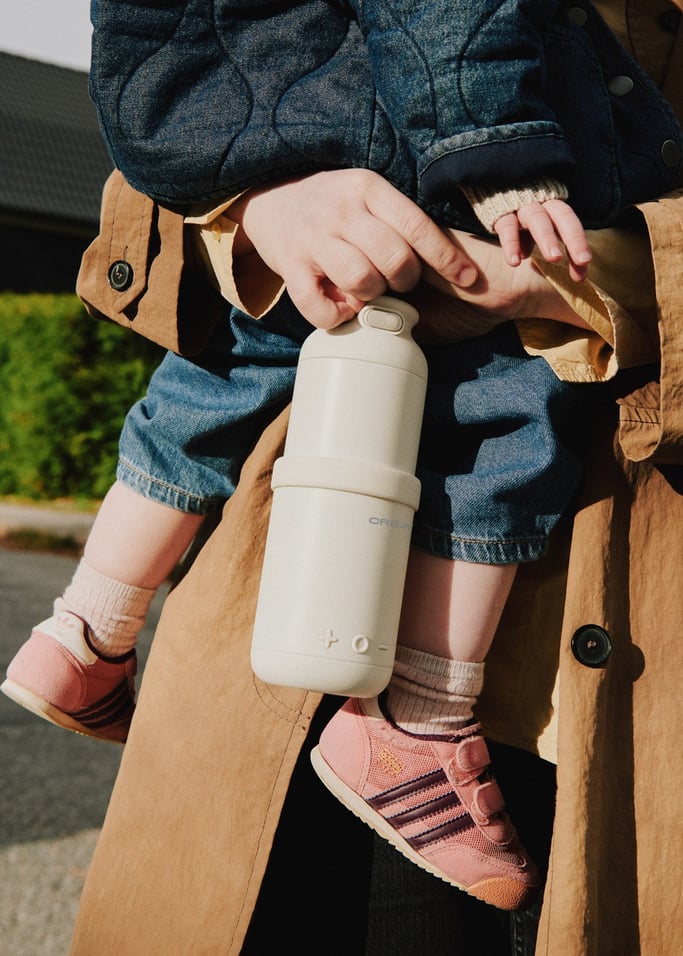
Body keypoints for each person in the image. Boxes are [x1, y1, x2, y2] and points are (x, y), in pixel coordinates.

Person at [5, 0, 683, 937]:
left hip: (576, 600)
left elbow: (152, 71)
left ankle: (86, 627)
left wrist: (618, 276)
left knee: (214, 384)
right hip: (316, 537)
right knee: (509, 409)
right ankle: (420, 727)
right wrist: (260, 204)